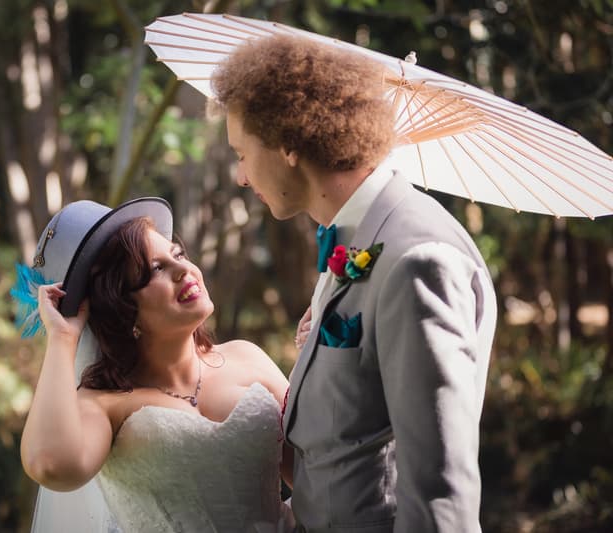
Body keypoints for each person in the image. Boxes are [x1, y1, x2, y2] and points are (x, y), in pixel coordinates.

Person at [211, 34, 497, 532]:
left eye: (241, 152)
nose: (240, 176)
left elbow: (439, 491)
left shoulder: (416, 259)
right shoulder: (356, 239)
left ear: (287, 143)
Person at [13, 197, 295, 532]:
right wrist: (61, 338)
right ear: (121, 308)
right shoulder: (104, 405)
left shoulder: (247, 356)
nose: (184, 270)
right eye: (156, 270)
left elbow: (319, 471)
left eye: (177, 254)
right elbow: (50, 465)